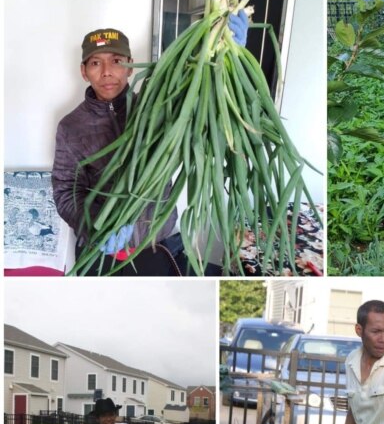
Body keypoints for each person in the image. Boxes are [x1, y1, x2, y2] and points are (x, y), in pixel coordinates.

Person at [52, 15, 249, 275]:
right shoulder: (71, 126)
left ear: (131, 67)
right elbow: (66, 192)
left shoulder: (159, 108)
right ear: (83, 71)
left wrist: (225, 65)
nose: (107, 72)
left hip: (155, 246)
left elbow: (205, 121)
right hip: (99, 252)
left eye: (117, 61)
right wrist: (97, 225)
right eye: (96, 63)